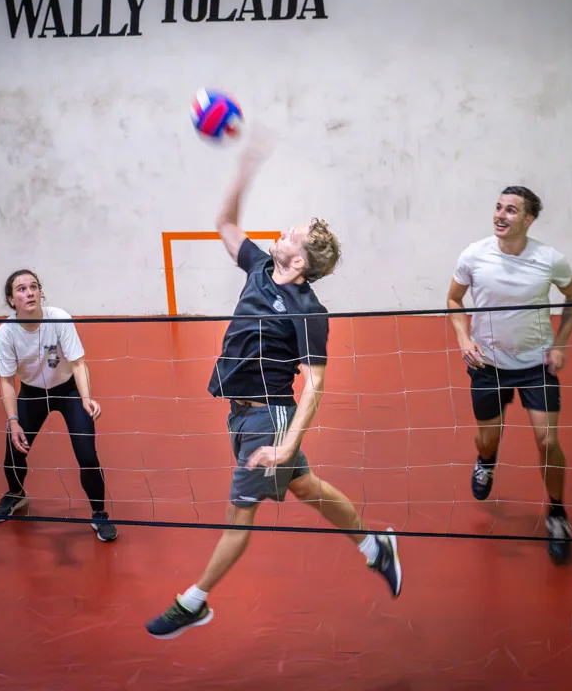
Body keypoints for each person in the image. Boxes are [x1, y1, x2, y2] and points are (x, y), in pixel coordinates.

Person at [145, 126, 402, 640]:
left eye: (291, 234)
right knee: (306, 487)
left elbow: (316, 386)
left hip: (269, 413)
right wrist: (245, 170)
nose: (281, 233)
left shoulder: (310, 312)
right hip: (240, 410)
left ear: (300, 261)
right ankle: (376, 547)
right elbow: (225, 223)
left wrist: (285, 445)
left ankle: (194, 601)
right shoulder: (261, 266)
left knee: (241, 512)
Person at [446, 186, 572, 564]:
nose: (500, 215)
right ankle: (487, 463)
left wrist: (561, 343)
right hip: (487, 365)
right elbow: (454, 299)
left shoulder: (550, 259)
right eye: (498, 207)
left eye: (511, 210)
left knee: (547, 441)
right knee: (488, 440)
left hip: (535, 364)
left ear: (528, 219)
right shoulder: (474, 255)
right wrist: (462, 338)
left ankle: (556, 513)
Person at [0, 269, 117, 543]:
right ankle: (16, 495)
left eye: (33, 286)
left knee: (87, 455)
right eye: (21, 289)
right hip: (32, 393)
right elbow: (7, 381)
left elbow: (78, 362)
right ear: (11, 300)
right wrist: (13, 421)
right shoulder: (5, 332)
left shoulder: (59, 318)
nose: (29, 292)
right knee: (14, 451)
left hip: (68, 391)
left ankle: (99, 513)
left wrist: (86, 398)